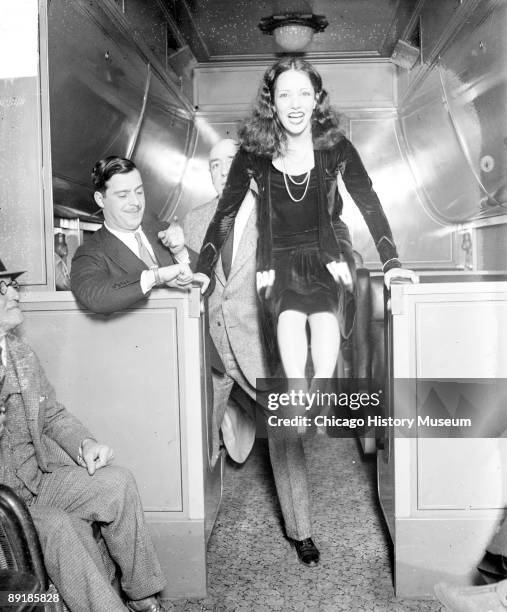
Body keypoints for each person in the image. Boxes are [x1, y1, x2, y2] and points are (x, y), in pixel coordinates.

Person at [193, 58, 417, 562]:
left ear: (317, 99)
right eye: (284, 95)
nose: (294, 104)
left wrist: (393, 260)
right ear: (271, 102)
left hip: (327, 258)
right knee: (291, 324)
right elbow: (225, 213)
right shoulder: (255, 153)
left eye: (303, 94)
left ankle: (315, 396)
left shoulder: (335, 147)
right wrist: (205, 266)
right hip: (279, 266)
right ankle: (299, 397)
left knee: (321, 325)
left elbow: (369, 200)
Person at [0, 259, 166, 612]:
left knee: (117, 482)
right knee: (61, 527)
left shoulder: (18, 351)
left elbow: (53, 414)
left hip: (36, 481)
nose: (14, 293)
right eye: (3, 289)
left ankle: (142, 596)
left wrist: (85, 444)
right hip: (6, 506)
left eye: (11, 285)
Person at [70, 156, 194, 315]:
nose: (136, 202)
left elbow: (207, 282)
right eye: (123, 195)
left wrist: (180, 252)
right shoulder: (90, 252)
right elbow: (95, 295)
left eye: (139, 192)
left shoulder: (163, 230)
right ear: (100, 199)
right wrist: (156, 276)